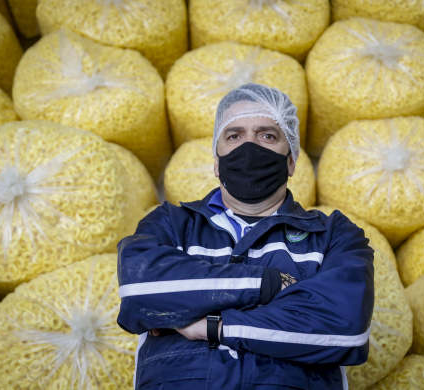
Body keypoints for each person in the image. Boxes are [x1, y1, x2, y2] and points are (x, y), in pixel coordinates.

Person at [117, 83, 375, 390]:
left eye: (267, 135)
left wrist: (212, 326)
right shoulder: (173, 223)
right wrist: (269, 285)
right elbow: (138, 290)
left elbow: (344, 328)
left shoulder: (333, 234)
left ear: (291, 160)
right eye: (234, 136)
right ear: (216, 160)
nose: (249, 147)